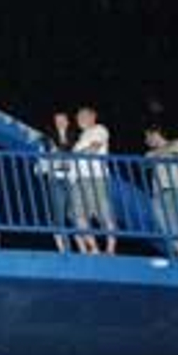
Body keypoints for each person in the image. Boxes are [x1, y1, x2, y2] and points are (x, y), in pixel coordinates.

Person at [144, 127, 178, 261]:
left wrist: (163, 153)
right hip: (158, 193)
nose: (146, 141)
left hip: (177, 188)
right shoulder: (150, 153)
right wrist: (166, 154)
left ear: (156, 134)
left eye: (148, 136)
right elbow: (146, 163)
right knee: (166, 224)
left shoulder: (177, 143)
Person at [71, 107, 116, 255]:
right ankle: (94, 248)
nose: (80, 119)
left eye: (83, 116)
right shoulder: (81, 138)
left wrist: (76, 155)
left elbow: (94, 148)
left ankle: (110, 249)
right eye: (78, 117)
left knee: (102, 211)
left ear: (93, 116)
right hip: (79, 179)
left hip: (95, 177)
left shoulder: (99, 129)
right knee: (77, 215)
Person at [40, 112, 77, 253]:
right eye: (56, 120)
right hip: (55, 176)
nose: (59, 122)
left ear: (68, 121)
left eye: (62, 120)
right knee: (58, 213)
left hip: (72, 177)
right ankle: (63, 248)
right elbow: (43, 155)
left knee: (74, 213)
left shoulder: (76, 136)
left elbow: (77, 153)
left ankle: (82, 247)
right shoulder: (47, 138)